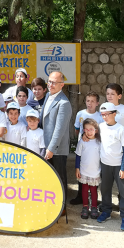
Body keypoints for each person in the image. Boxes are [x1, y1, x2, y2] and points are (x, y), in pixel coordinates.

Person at [40, 71, 72, 216]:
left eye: (54, 82)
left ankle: (62, 207)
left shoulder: (64, 103)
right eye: (49, 81)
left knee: (59, 178)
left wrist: (51, 148)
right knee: (48, 178)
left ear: (62, 85)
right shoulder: (48, 96)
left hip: (57, 149)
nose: (51, 84)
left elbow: (59, 129)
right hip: (46, 145)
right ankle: (51, 205)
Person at [97, 102, 124, 231]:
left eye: (107, 114)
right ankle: (106, 211)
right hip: (105, 164)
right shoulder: (100, 127)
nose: (105, 117)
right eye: (102, 114)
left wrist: (123, 168)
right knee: (105, 189)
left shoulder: (121, 129)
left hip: (118, 166)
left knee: (123, 192)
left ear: (114, 114)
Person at [70, 90, 104, 205]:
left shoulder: (100, 116)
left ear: (97, 103)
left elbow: (101, 132)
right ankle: (80, 196)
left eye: (93, 101)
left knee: (94, 171)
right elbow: (76, 129)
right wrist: (83, 136)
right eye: (88, 101)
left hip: (95, 149)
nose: (90, 103)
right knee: (81, 172)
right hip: (83, 148)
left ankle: (94, 197)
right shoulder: (80, 114)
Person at [75, 118, 101, 220]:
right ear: (84, 131)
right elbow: (78, 155)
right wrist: (77, 168)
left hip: (95, 172)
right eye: (86, 130)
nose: (89, 132)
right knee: (84, 190)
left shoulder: (99, 142)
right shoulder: (82, 142)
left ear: (96, 130)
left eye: (91, 129)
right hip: (84, 171)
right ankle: (85, 207)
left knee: (94, 191)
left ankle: (94, 207)